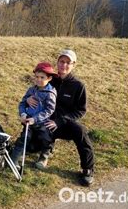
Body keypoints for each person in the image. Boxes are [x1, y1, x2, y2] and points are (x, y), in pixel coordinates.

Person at [27, 49, 95, 186]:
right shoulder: (50, 79)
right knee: (31, 148)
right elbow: (35, 90)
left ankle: (87, 169)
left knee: (80, 131)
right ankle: (46, 148)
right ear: (57, 63)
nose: (64, 65)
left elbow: (80, 110)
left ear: (73, 65)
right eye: (62, 61)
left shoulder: (78, 86)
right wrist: (28, 99)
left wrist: (60, 121)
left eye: (68, 63)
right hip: (45, 120)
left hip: (64, 123)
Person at [10, 62, 57, 170]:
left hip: (42, 123)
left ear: (49, 78)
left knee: (46, 139)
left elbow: (49, 109)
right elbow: (22, 103)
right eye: (36, 77)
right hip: (28, 122)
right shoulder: (31, 90)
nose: (38, 79)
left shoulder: (50, 93)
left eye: (42, 77)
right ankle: (14, 158)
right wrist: (23, 114)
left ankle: (44, 157)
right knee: (24, 138)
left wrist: (35, 119)